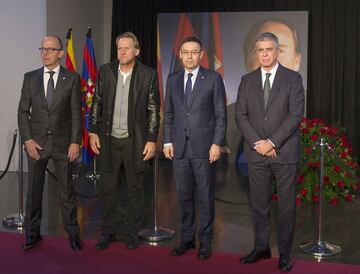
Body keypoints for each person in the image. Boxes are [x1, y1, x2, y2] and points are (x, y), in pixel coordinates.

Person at [235, 32, 304, 272]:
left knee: (285, 207)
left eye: (269, 49)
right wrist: (258, 143)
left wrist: (272, 142)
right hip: (256, 154)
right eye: (260, 50)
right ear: (257, 53)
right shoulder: (247, 80)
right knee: (258, 204)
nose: (264, 54)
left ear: (277, 52)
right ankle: (261, 247)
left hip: (284, 153)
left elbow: (295, 116)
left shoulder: (293, 79)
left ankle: (284, 254)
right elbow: (240, 115)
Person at [89, 31, 160, 250]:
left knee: (135, 190)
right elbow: (97, 103)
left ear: (136, 51)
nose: (122, 52)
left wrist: (151, 139)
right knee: (107, 190)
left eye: (127, 48)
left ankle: (131, 233)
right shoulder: (106, 71)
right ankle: (107, 231)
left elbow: (153, 110)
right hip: (109, 141)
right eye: (119, 48)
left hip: (135, 141)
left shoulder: (148, 75)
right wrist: (92, 131)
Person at [163, 36, 227, 259]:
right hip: (179, 148)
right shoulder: (172, 79)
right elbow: (169, 113)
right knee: (184, 197)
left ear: (202, 55)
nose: (189, 56)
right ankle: (187, 239)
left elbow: (220, 115)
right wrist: (167, 141)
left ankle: (205, 241)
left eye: (194, 52)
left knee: (205, 197)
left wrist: (217, 143)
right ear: (180, 55)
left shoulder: (212, 78)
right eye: (185, 52)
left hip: (204, 148)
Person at [18, 35, 82, 251]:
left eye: (50, 49)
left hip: (64, 145)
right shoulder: (30, 78)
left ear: (60, 53)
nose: (45, 53)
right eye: (42, 49)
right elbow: (23, 112)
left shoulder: (72, 79)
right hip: (36, 144)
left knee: (67, 192)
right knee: (34, 192)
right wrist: (27, 139)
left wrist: (75, 142)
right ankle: (32, 235)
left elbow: (76, 114)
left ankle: (73, 234)